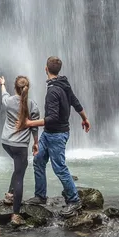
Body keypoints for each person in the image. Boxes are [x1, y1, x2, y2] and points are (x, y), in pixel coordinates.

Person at [25, 56, 91, 218]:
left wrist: (30, 123)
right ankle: (40, 196)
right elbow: (75, 102)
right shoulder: (63, 83)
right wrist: (85, 118)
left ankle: (74, 200)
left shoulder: (53, 91)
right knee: (38, 160)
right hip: (49, 133)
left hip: (57, 134)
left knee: (59, 167)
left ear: (45, 69)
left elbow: (52, 117)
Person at [0, 75, 40, 226]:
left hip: (6, 143)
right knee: (19, 175)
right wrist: (36, 142)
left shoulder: (9, 102)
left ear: (15, 88)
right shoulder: (32, 105)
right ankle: (15, 214)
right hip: (20, 145)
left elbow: (4, 94)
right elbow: (34, 126)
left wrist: (2, 83)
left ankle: (10, 194)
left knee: (20, 167)